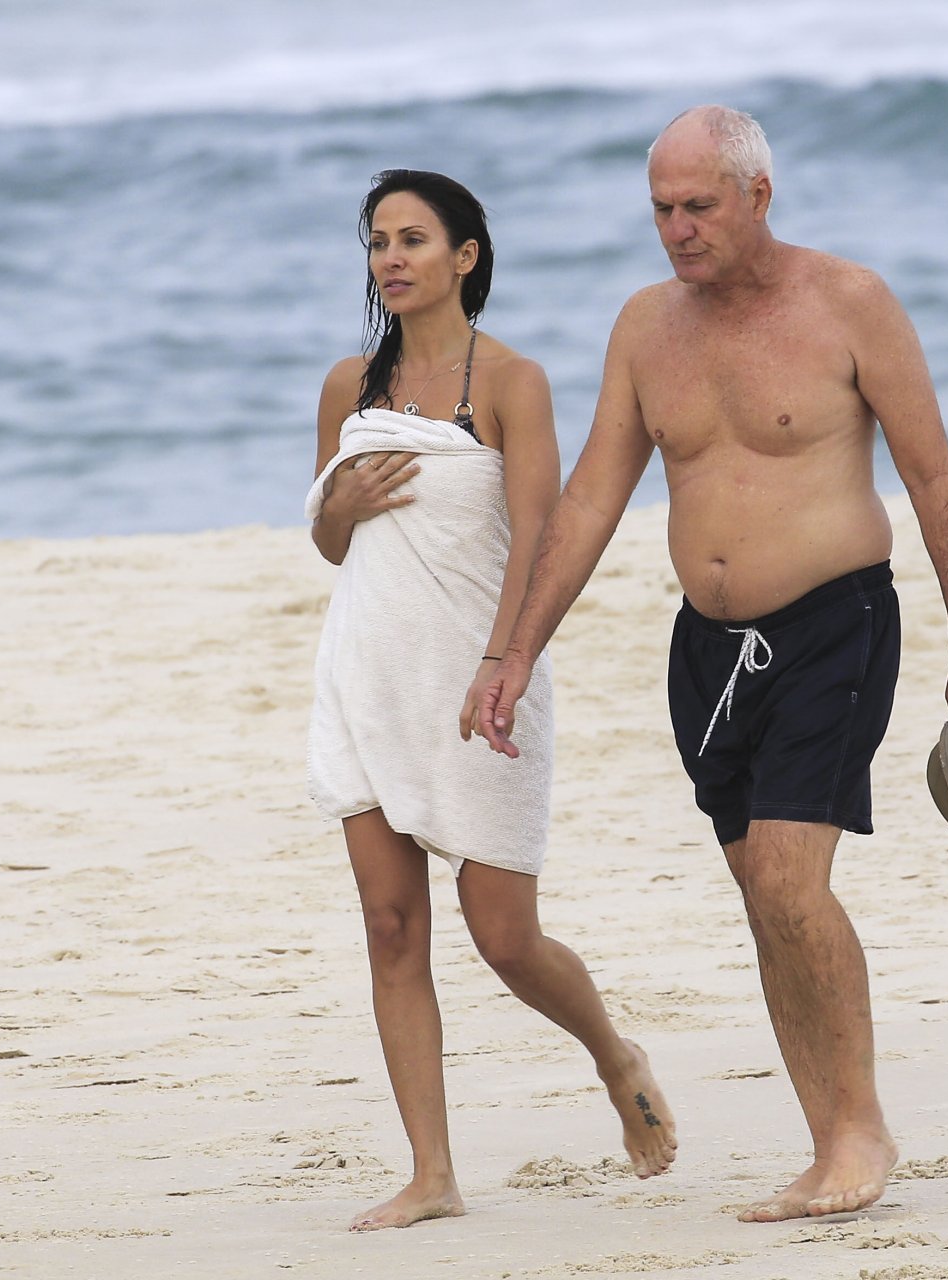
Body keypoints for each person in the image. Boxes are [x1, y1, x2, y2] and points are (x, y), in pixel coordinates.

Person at [477, 108, 948, 1223]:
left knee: (786, 879)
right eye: (661, 209)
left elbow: (933, 480)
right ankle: (826, 1145)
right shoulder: (645, 326)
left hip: (834, 625)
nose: (677, 228)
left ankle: (860, 1127)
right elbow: (592, 497)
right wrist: (517, 649)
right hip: (707, 650)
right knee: (764, 899)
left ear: (757, 197)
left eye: (698, 206)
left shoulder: (848, 303)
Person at [305, 169, 676, 1232]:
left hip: (480, 675)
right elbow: (328, 542)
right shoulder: (349, 385)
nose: (390, 258)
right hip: (367, 672)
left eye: (412, 239)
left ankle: (614, 1055)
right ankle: (432, 1172)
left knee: (504, 936)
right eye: (378, 241)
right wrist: (340, 500)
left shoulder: (512, 381)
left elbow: (538, 536)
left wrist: (504, 659)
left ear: (464, 256)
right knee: (390, 925)